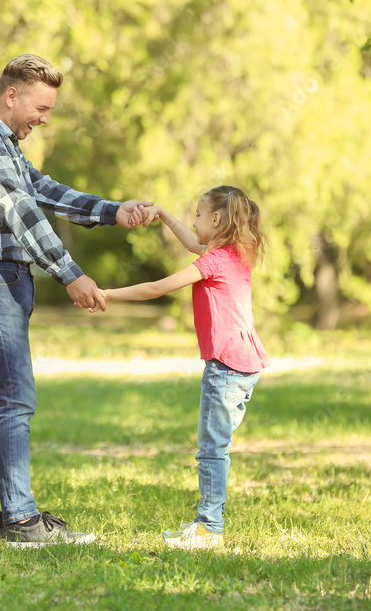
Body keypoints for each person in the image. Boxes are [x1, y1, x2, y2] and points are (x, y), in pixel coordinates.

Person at [0, 53, 153, 548]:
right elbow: (20, 212)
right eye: (40, 107)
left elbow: (41, 191)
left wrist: (112, 211)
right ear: (11, 94)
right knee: (15, 397)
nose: (44, 118)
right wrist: (70, 273)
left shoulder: (3, 142)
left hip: (2, 279)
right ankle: (20, 522)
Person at [101, 185, 269, 550]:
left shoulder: (215, 261)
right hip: (244, 363)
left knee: (212, 449)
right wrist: (162, 214)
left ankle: (210, 528)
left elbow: (157, 289)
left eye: (197, 215)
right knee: (216, 446)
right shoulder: (235, 252)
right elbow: (194, 243)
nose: (193, 222)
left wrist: (108, 294)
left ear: (216, 219)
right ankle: (208, 523)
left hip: (225, 366)